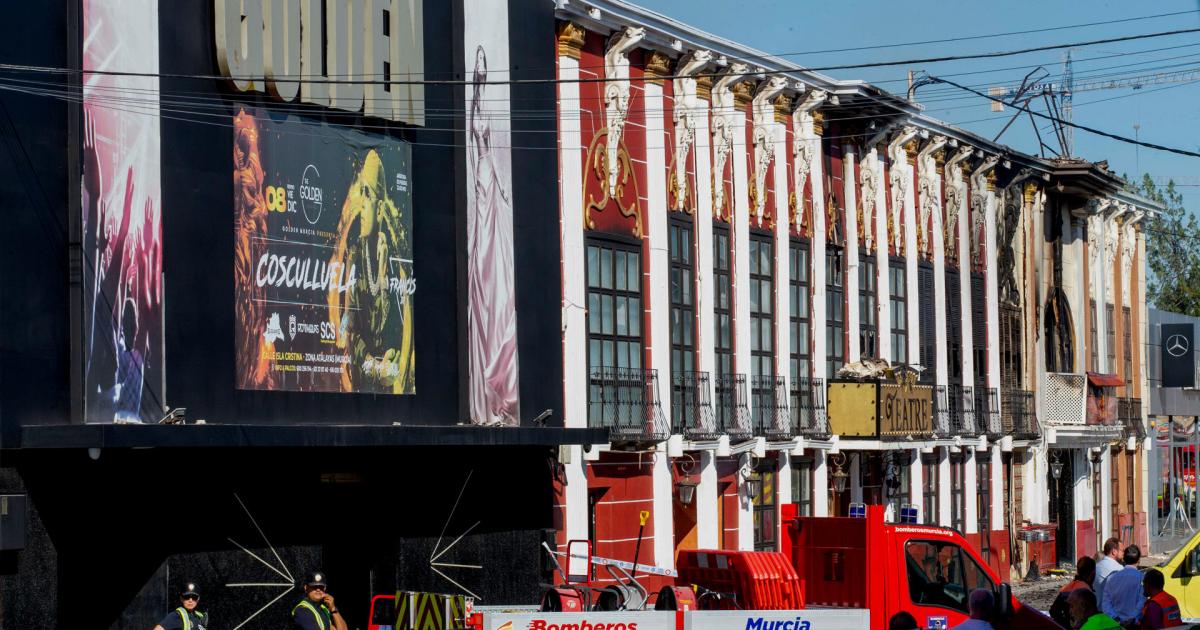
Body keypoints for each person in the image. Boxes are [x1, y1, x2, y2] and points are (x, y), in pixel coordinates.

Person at [1101, 545, 1145, 626]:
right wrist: (1132, 619)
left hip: (1115, 624)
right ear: (1139, 560)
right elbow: (1142, 601)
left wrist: (1116, 619)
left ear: (1123, 559)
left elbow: (1106, 603)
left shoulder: (1111, 578)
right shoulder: (1141, 578)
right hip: (1134, 624)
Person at [1050, 557, 1097, 628]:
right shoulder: (1086, 592)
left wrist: (1065, 625)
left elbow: (1053, 611)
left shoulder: (1067, 587)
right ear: (1092, 574)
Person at [1095, 537, 1124, 607]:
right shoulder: (1119, 568)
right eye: (1122, 550)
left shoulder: (1096, 566)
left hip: (1096, 609)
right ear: (1114, 551)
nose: (1123, 553)